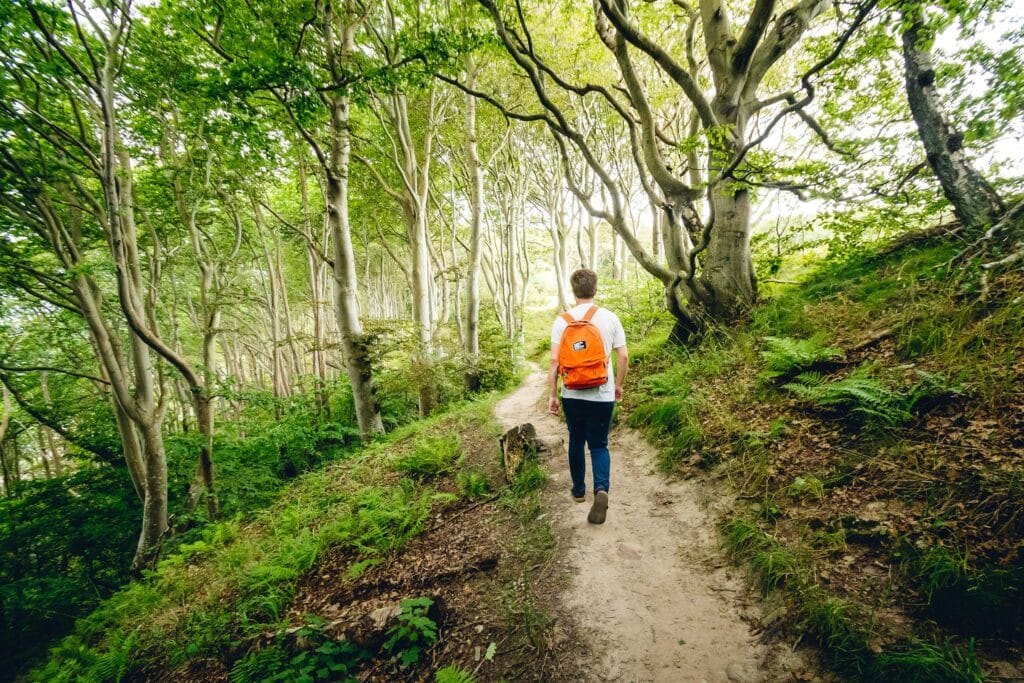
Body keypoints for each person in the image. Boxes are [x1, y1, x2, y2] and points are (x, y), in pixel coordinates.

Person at [548, 268, 628, 525]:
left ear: (574, 290)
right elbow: (623, 356)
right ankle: (601, 490)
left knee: (576, 440)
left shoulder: (562, 321)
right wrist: (619, 385)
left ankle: (579, 491)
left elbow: (553, 361)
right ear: (594, 289)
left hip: (572, 393)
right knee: (599, 444)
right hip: (602, 392)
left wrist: (553, 394)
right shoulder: (609, 317)